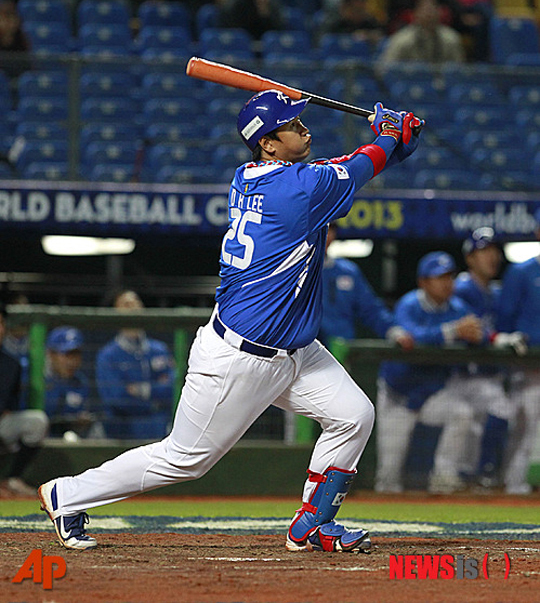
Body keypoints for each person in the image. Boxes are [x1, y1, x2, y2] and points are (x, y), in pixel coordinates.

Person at [37, 92, 423, 551]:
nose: (304, 129)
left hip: (296, 349)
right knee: (184, 459)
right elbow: (356, 167)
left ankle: (312, 524)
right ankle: (67, 494)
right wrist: (389, 136)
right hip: (240, 357)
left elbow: (345, 166)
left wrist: (395, 144)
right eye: (291, 126)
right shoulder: (298, 191)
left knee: (354, 415)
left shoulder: (255, 177)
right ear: (268, 145)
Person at [375, 251, 487, 494]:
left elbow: (481, 332)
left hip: (431, 395)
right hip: (399, 396)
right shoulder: (409, 304)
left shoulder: (457, 307)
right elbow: (411, 336)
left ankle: (444, 477)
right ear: (423, 282)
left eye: (450, 276)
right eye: (439, 277)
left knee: (462, 414)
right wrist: (453, 331)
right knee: (389, 475)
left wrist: (481, 336)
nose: (447, 283)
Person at [453, 227, 526, 489]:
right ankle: (481, 473)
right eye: (484, 251)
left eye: (495, 251)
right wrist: (496, 338)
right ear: (470, 257)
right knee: (484, 418)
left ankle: (483, 476)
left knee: (483, 426)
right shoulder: (461, 288)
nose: (492, 257)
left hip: (488, 375)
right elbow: (471, 329)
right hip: (459, 376)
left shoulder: (496, 292)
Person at [497, 209, 540, 494]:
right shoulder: (521, 272)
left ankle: (518, 484)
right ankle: (514, 485)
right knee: (525, 425)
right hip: (526, 365)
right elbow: (505, 319)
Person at [320, 221, 414, 349]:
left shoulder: (347, 271)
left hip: (339, 349)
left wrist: (393, 331)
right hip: (300, 351)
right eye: (320, 229)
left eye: (330, 229)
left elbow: (370, 309)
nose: (326, 235)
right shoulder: (296, 269)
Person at [96, 290, 175, 440]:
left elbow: (172, 388)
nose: (133, 307)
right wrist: (153, 402)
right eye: (126, 304)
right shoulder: (108, 355)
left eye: (137, 302)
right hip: (123, 434)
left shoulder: (159, 349)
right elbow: (116, 398)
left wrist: (141, 390)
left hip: (159, 431)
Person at [0, 302, 49, 497]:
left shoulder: (11, 363)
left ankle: (12, 479)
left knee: (37, 421)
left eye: (1, 323)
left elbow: (11, 404)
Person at [45, 326, 104, 440]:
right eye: (67, 355)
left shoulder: (80, 382)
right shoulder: (38, 379)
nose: (72, 361)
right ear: (51, 354)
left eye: (76, 354)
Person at [377, 0, 465, 66]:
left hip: (442, 83)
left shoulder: (451, 38)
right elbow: (386, 69)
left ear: (440, 12)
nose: (429, 13)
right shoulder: (402, 40)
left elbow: (459, 71)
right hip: (410, 82)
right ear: (415, 13)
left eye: (433, 8)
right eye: (425, 9)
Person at [218, 0, 285, 40]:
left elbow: (277, 32)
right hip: (243, 44)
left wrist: (264, 14)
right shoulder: (238, 5)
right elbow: (235, 29)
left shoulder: (273, 6)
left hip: (264, 46)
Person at [0, 0, 31, 79]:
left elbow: (27, 70)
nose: (9, 24)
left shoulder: (22, 42)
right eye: (4, 19)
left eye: (12, 18)